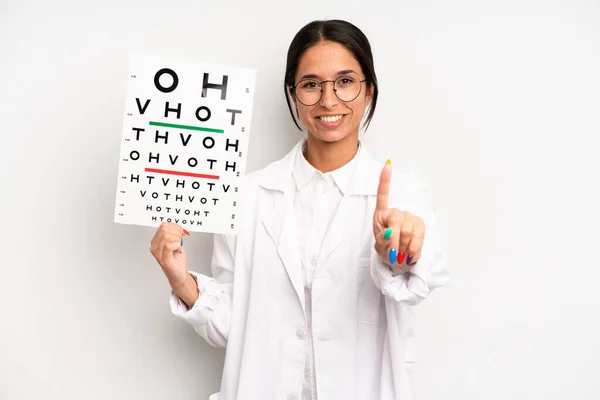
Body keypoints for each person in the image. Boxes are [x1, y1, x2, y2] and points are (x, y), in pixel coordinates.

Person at [150, 19, 448, 400]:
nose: (328, 100)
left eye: (345, 81)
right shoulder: (247, 196)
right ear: (293, 95)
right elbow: (232, 328)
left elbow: (417, 271)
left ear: (369, 90)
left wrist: (398, 251)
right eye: (311, 85)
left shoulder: (400, 193)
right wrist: (180, 279)